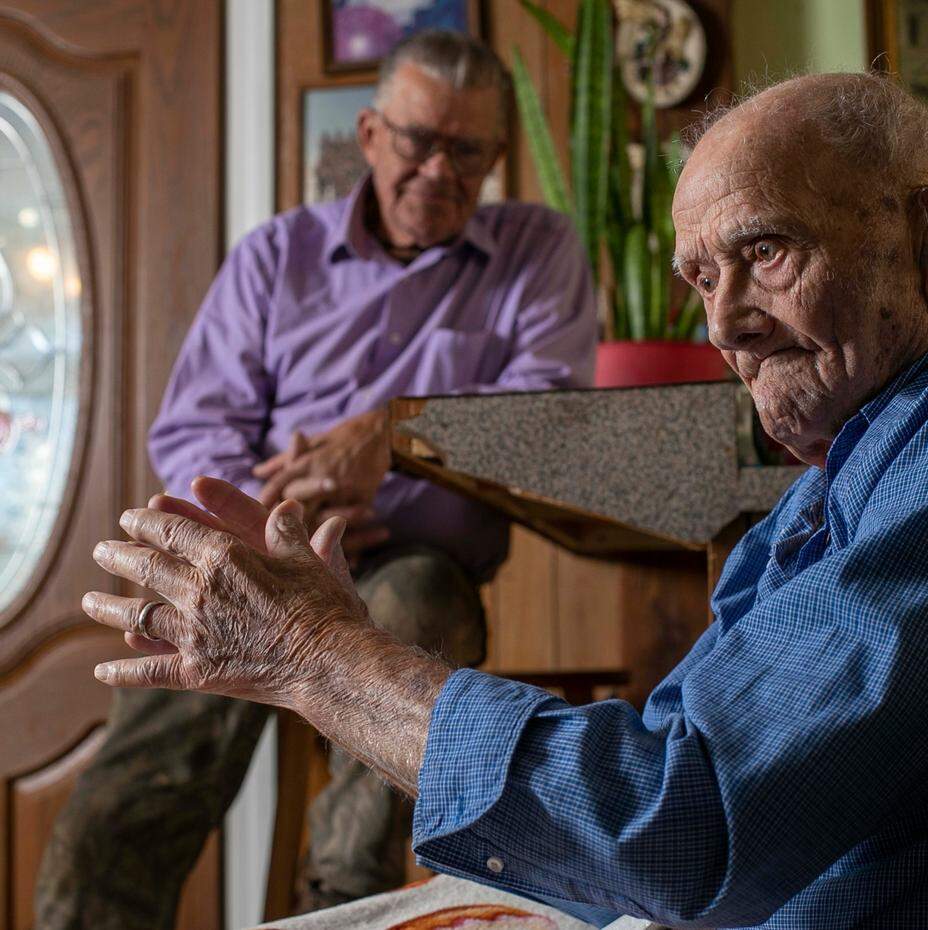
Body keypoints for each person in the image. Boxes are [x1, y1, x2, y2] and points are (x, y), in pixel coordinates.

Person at [80, 72, 928, 929]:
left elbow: (684, 821)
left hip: (414, 560)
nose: (725, 324)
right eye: (697, 279)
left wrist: (321, 655)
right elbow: (678, 763)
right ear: (368, 136)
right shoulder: (846, 473)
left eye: (764, 252)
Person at [36, 29, 595, 930]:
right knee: (121, 811)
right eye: (418, 141)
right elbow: (194, 425)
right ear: (370, 134)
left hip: (409, 562)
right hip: (248, 545)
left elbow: (546, 421)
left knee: (418, 606)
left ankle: (346, 906)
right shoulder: (276, 255)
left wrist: (393, 439)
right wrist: (276, 526)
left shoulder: (539, 251)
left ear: (498, 155)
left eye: (468, 151)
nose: (439, 171)